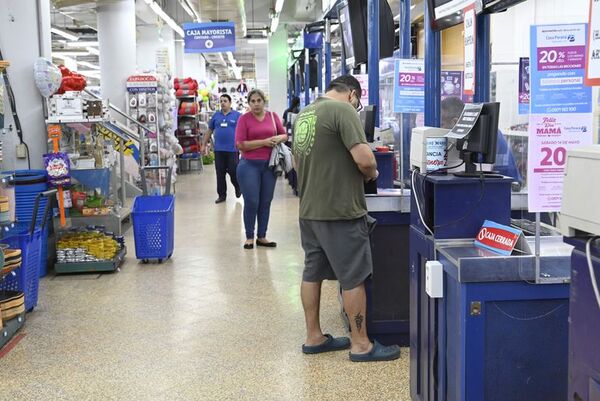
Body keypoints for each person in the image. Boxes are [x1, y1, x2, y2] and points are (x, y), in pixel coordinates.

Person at [292, 75, 401, 362]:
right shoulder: (343, 111)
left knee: (311, 272)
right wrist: (371, 174)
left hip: (310, 209)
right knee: (354, 276)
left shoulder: (305, 114)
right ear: (352, 94)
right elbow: (365, 159)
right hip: (340, 210)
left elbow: (296, 162)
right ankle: (361, 344)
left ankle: (314, 337)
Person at [235, 89, 287, 249]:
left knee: (265, 201)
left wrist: (279, 138)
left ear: (264, 102)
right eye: (253, 101)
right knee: (252, 201)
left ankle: (262, 236)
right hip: (249, 165)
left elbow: (284, 135)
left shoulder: (273, 117)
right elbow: (240, 144)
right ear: (249, 103)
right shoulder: (244, 119)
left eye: (259, 100)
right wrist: (264, 142)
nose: (256, 104)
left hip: (269, 165)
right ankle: (249, 236)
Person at [202, 94, 242, 204]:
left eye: (225, 101)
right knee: (220, 174)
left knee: (233, 171)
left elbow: (243, 131)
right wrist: (203, 144)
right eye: (221, 101)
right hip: (219, 150)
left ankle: (238, 186)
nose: (223, 103)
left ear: (230, 103)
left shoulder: (237, 116)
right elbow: (209, 131)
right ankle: (222, 195)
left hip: (232, 150)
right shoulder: (216, 116)